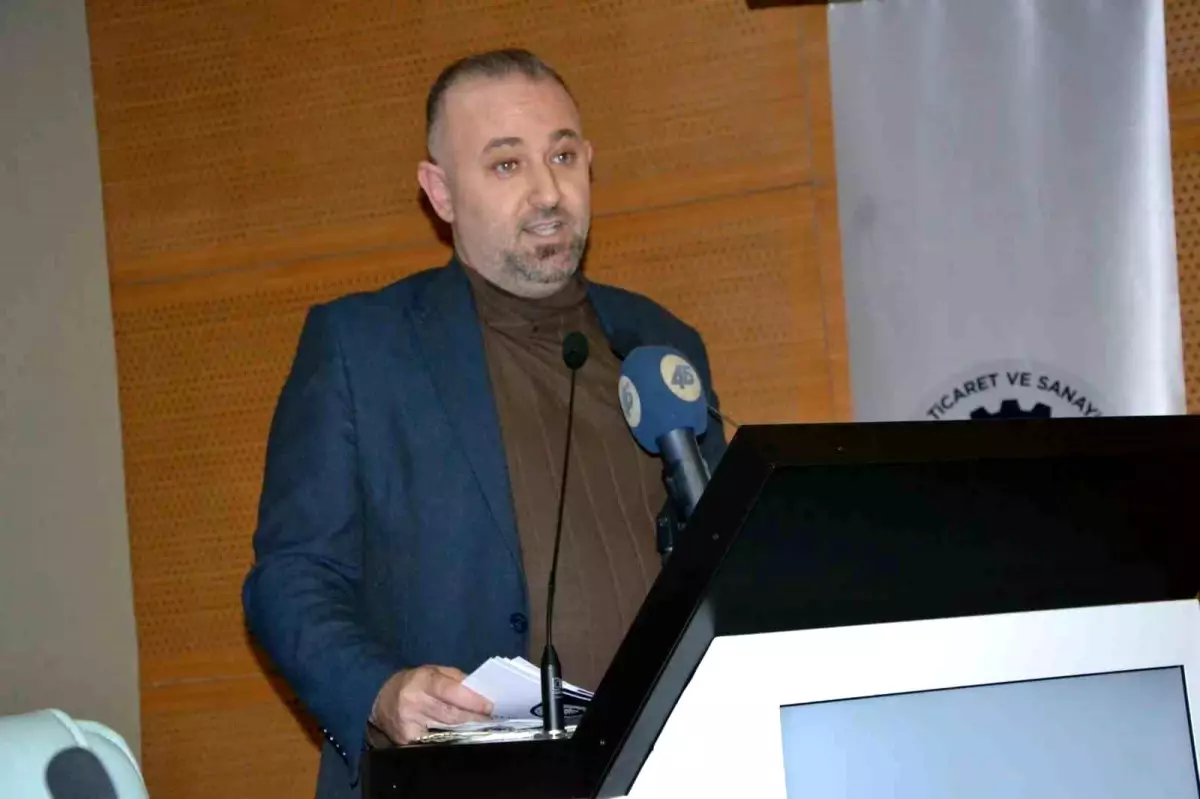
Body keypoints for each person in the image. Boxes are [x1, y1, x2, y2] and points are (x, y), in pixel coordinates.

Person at [242, 49, 726, 799]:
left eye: (562, 156)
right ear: (440, 192)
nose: (548, 192)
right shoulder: (363, 348)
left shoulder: (661, 343)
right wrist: (380, 690)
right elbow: (290, 576)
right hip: (459, 781)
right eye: (506, 165)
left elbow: (719, 557)